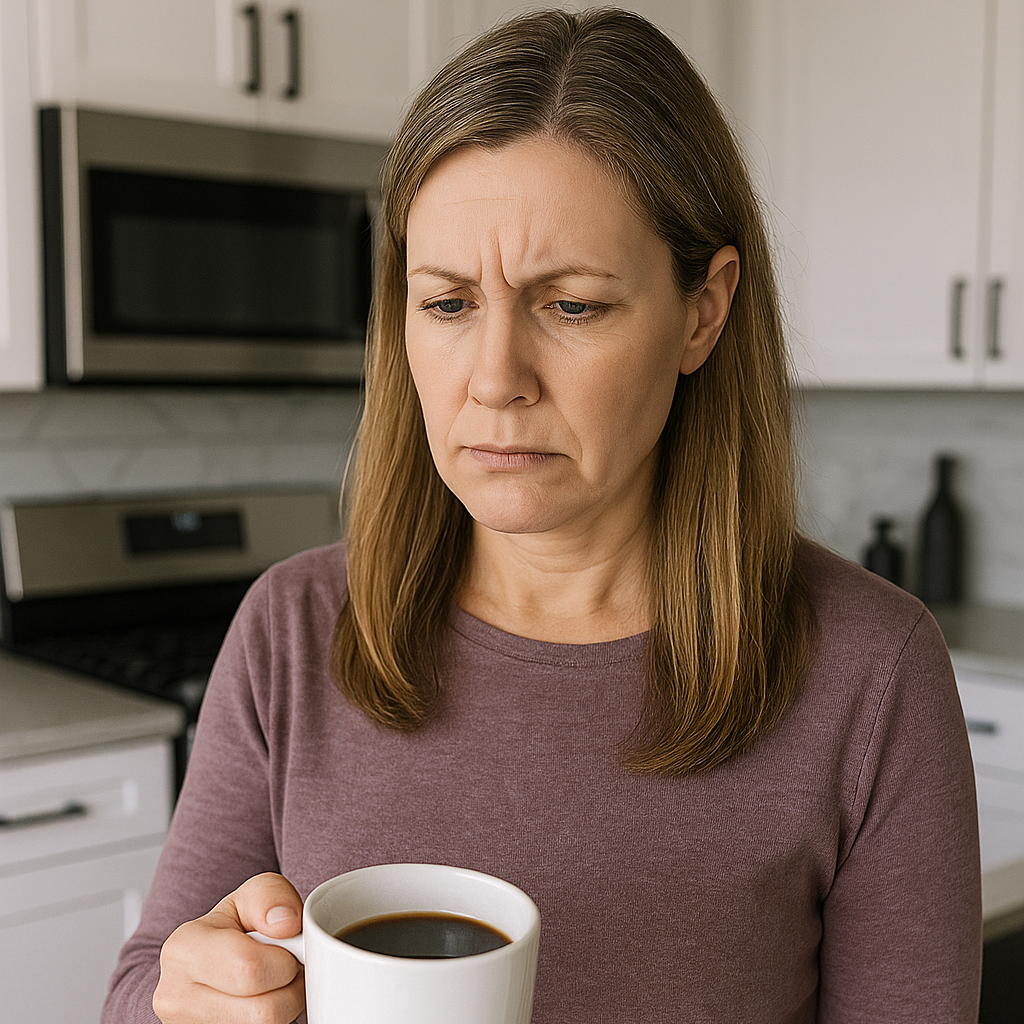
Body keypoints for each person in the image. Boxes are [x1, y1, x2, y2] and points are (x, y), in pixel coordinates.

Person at [103, 9, 983, 1023]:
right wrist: (193, 998)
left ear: (704, 308)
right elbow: (139, 989)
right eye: (447, 303)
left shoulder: (870, 672)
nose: (494, 379)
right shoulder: (293, 628)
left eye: (570, 306)